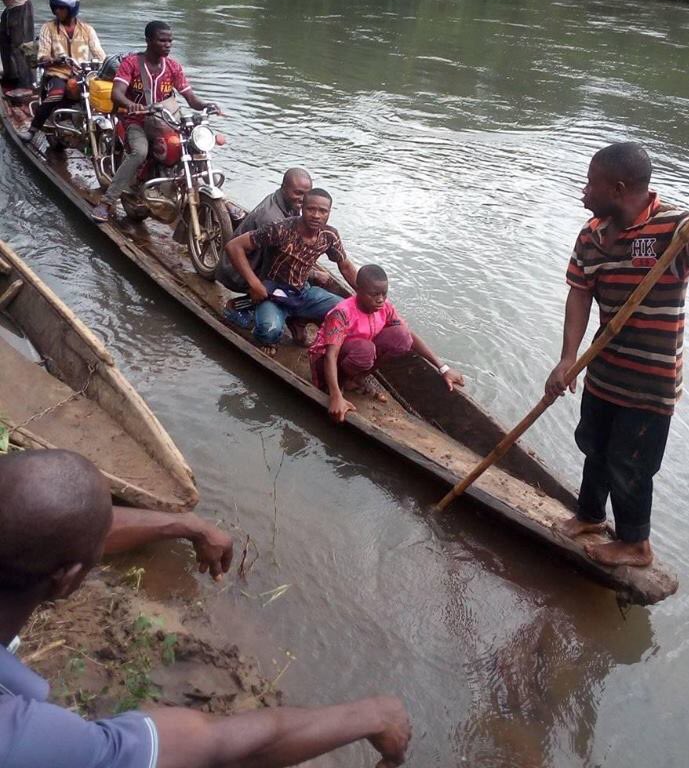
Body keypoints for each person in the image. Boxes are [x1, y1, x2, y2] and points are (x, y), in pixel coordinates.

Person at [0, 449, 412, 768]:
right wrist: (372, 715)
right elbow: (213, 747)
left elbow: (47, 533)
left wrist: (187, 525)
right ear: (69, 579)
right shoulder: (22, 740)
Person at [544, 141, 689, 567]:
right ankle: (589, 515)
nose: (584, 191)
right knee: (594, 447)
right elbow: (579, 294)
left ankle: (635, 544)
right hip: (604, 372)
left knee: (631, 464)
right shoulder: (591, 234)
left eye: (591, 184)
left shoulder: (674, 229)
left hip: (649, 384)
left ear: (618, 189)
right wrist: (568, 359)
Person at [92, 21, 221, 223]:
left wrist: (206, 105)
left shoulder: (173, 67)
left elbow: (190, 98)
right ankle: (107, 202)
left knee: (194, 149)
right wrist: (132, 105)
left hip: (164, 121)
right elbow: (117, 93)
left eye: (170, 41)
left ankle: (217, 199)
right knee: (139, 152)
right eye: (162, 40)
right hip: (136, 121)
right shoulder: (131, 64)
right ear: (148, 40)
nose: (167, 45)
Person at [310, 264, 465, 423]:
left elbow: (409, 336)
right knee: (365, 350)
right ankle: (334, 385)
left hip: (357, 356)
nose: (380, 299)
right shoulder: (342, 313)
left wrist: (443, 368)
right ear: (359, 290)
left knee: (401, 336)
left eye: (384, 293)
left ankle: (355, 378)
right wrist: (335, 396)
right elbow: (330, 355)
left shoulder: (384, 307)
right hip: (323, 363)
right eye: (374, 294)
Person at [224, 188, 358, 355]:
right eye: (311, 209)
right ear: (302, 208)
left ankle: (298, 319)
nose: (316, 215)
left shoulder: (329, 235)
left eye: (322, 211)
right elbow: (234, 246)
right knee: (269, 332)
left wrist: (364, 293)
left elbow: (345, 266)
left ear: (329, 213)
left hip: (302, 292)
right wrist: (255, 284)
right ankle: (246, 307)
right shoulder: (281, 229)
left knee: (345, 311)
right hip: (272, 294)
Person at [17, 0, 105, 143]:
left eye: (61, 8)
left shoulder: (87, 30)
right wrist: (54, 60)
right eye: (55, 8)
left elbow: (99, 53)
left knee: (103, 96)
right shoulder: (48, 28)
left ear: (72, 8)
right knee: (56, 94)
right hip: (57, 74)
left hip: (81, 75)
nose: (57, 11)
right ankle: (32, 130)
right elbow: (42, 54)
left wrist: (108, 64)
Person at [216, 167, 314, 297]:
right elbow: (280, 262)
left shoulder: (283, 200)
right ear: (284, 188)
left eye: (307, 194)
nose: (303, 199)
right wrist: (312, 274)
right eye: (298, 193)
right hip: (236, 275)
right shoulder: (272, 219)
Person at [0, 0, 34, 93]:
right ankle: (10, 78)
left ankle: (26, 85)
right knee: (4, 42)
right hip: (9, 8)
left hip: (21, 6)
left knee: (22, 47)